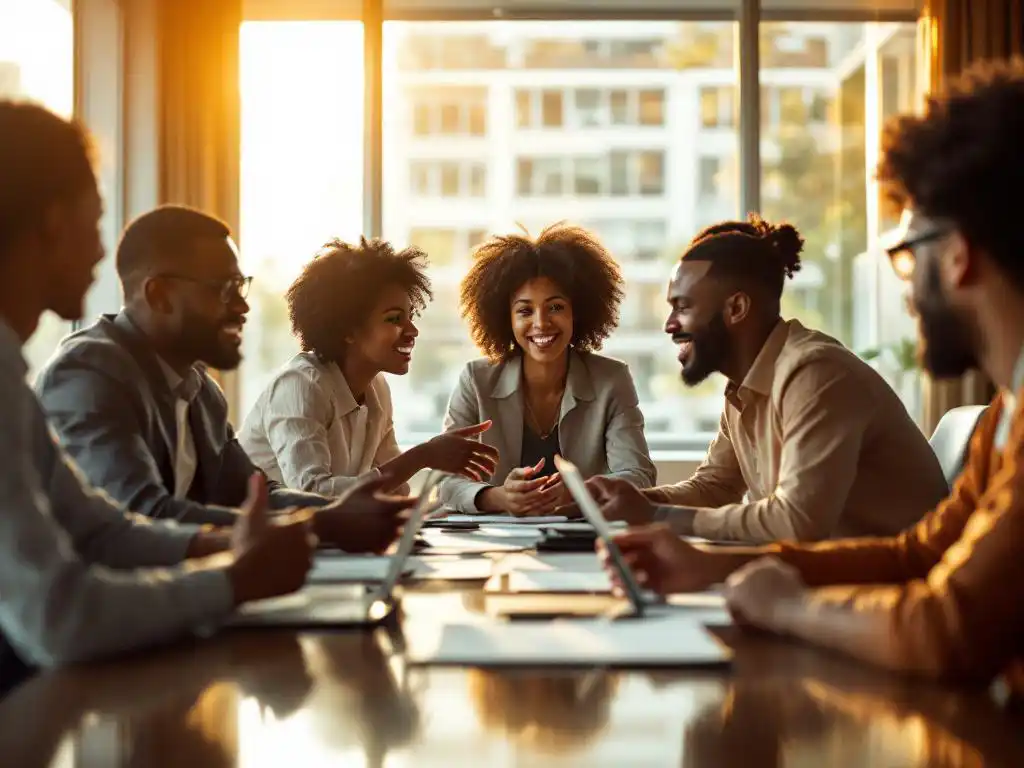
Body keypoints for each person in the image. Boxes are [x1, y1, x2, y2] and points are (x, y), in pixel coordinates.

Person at [593, 58, 1024, 685]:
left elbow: (944, 629)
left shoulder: (815, 373)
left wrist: (787, 605)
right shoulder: (1008, 414)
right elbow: (921, 554)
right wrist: (711, 567)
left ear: (957, 256)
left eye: (906, 257)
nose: (906, 292)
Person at [0, 100, 329, 681]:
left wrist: (261, 541)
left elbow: (104, 532)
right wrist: (235, 578)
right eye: (95, 222)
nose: (101, 251)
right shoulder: (81, 372)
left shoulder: (13, 384)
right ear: (53, 222)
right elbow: (60, 616)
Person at [35, 206, 406, 551]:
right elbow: (142, 513)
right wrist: (322, 523)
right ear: (160, 295)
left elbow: (255, 495)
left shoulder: (201, 393)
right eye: (224, 289)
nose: (242, 307)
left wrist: (345, 512)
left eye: (240, 287)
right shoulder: (89, 373)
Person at [595, 214, 946, 542]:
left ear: (736, 309)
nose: (670, 325)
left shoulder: (816, 374)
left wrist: (655, 514)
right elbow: (715, 488)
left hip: (893, 574)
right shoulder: (743, 387)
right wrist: (624, 501)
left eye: (683, 307)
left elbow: (796, 522)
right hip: (829, 570)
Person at [239, 237, 499, 495]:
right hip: (254, 521)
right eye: (394, 319)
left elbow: (394, 488)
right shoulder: (300, 385)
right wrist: (424, 455)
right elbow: (313, 493)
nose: (412, 330)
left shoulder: (376, 388)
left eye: (410, 316)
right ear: (347, 329)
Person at [440, 223, 655, 515]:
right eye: (525, 311)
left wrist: (580, 492)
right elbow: (445, 482)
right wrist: (500, 497)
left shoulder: (611, 379)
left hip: (580, 535)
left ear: (577, 312)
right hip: (495, 535)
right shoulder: (475, 380)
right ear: (506, 319)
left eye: (555, 307)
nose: (541, 323)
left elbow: (640, 475)